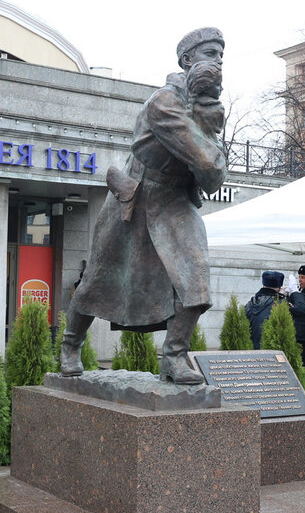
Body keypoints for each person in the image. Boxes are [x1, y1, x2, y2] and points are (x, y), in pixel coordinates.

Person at [59, 28, 227, 384]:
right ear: (187, 60)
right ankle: (70, 346)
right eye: (211, 53)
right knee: (98, 281)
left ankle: (174, 357)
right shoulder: (163, 103)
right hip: (136, 199)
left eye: (221, 55)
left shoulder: (204, 108)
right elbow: (208, 161)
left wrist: (207, 115)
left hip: (176, 201)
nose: (218, 62)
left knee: (196, 280)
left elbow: (213, 178)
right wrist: (206, 127)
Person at [245, 271, 285, 349]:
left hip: (250, 350)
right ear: (279, 288)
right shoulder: (281, 304)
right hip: (272, 351)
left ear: (263, 285)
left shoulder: (250, 303)